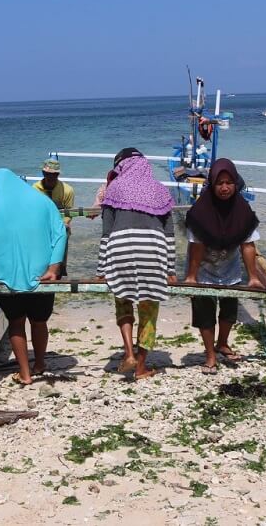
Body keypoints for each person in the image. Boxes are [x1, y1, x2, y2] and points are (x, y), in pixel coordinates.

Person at [0, 169, 67, 385]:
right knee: (40, 320)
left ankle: (25, 374)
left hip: (6, 279)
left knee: (16, 323)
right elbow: (60, 233)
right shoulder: (42, 201)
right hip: (42, 275)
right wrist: (54, 268)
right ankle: (40, 363)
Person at [97, 148, 176, 380]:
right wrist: (170, 269)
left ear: (120, 167)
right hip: (153, 252)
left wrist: (102, 269)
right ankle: (141, 367)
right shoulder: (161, 191)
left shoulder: (114, 189)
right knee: (149, 311)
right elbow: (169, 234)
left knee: (123, 303)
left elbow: (106, 233)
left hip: (120, 252)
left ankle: (128, 353)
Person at [184, 158, 264, 373]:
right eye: (220, 183)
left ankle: (223, 343)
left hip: (230, 268)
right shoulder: (200, 211)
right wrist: (191, 277)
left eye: (229, 182)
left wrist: (253, 277)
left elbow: (248, 244)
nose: (225, 187)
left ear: (236, 183)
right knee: (204, 313)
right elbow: (196, 245)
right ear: (211, 184)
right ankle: (210, 355)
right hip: (201, 268)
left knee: (229, 311)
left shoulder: (242, 209)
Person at [32, 159, 74, 274]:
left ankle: (59, 273)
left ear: (58, 174)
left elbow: (69, 212)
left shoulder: (67, 190)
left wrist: (63, 224)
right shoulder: (34, 189)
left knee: (59, 260)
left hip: (61, 227)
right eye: (48, 174)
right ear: (43, 173)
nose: (51, 177)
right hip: (41, 228)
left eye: (54, 174)